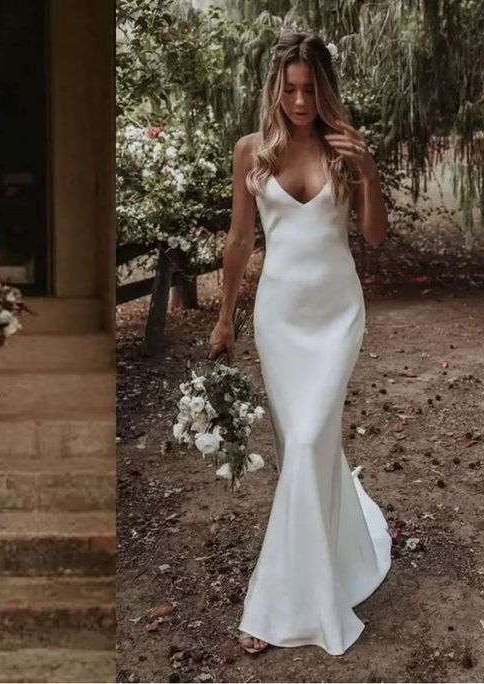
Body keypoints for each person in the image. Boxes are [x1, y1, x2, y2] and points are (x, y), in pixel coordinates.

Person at [209, 32, 392, 656]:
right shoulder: (251, 152)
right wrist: (224, 316)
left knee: (313, 438)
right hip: (279, 319)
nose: (299, 100)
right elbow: (239, 241)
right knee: (301, 450)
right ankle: (331, 563)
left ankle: (277, 606)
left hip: (337, 315)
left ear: (325, 88)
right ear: (273, 89)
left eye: (310, 89)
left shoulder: (346, 149)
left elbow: (374, 237)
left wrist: (367, 172)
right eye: (289, 88)